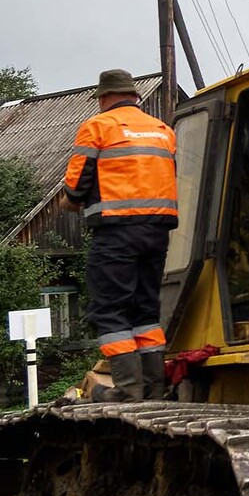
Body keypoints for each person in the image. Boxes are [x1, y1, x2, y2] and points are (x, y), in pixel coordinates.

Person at [64, 70, 179, 401]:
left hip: (116, 232)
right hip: (157, 232)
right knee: (146, 312)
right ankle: (154, 389)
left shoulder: (97, 127)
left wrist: (71, 201)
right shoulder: (163, 131)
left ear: (103, 98)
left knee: (110, 310)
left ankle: (128, 391)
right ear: (135, 96)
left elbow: (75, 187)